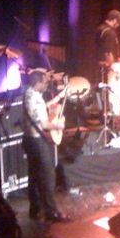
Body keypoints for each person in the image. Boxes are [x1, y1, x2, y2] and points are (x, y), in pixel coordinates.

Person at [22, 69, 69, 222]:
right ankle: (51, 211)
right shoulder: (35, 98)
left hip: (28, 140)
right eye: (44, 82)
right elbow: (44, 124)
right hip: (37, 142)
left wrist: (59, 98)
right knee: (48, 175)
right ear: (37, 83)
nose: (46, 85)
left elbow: (41, 108)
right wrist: (59, 126)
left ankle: (35, 209)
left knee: (34, 175)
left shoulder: (29, 93)